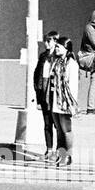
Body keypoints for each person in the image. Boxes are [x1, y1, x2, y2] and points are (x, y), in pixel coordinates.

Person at [45, 37, 80, 166]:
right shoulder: (56, 62)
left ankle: (69, 156)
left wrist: (70, 104)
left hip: (65, 102)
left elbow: (73, 87)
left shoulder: (72, 64)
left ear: (66, 48)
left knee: (66, 130)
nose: (56, 48)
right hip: (55, 100)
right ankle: (61, 155)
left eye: (59, 47)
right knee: (59, 130)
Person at [33, 31, 60, 161]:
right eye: (45, 41)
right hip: (44, 93)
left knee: (58, 124)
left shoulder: (59, 56)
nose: (46, 43)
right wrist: (38, 96)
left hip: (55, 94)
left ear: (55, 41)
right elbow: (37, 75)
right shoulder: (43, 56)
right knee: (47, 124)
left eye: (49, 41)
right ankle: (49, 150)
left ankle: (59, 151)